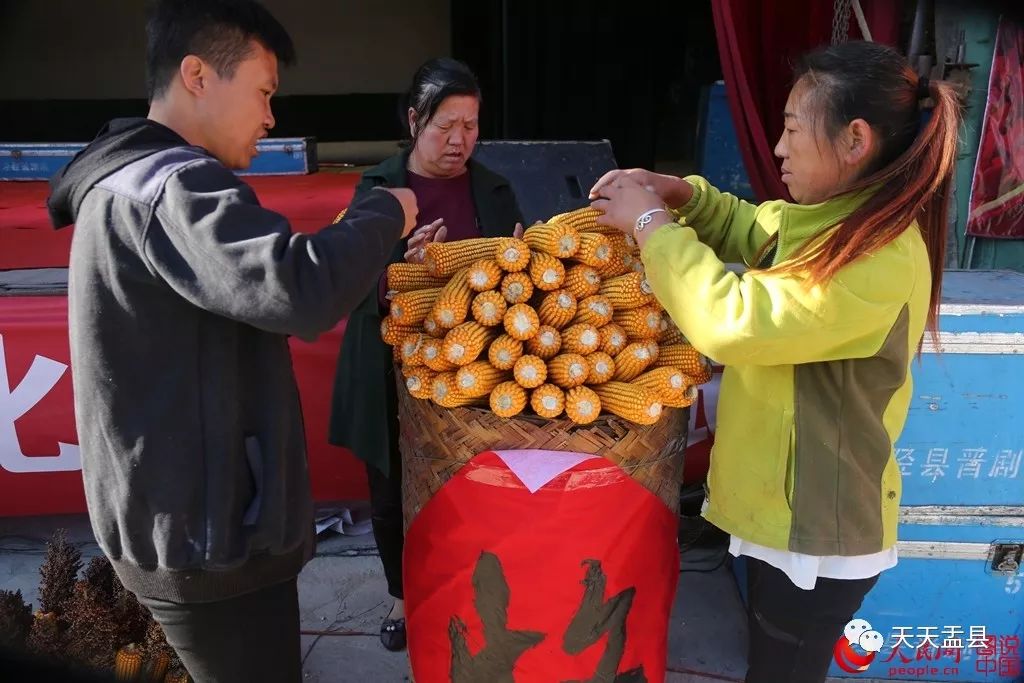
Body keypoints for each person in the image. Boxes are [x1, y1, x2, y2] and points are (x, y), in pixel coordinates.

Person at [45, 1, 417, 681]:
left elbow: (260, 288)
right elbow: (297, 289)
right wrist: (384, 211)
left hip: (192, 526)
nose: (271, 116)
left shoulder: (133, 181)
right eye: (264, 91)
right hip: (209, 540)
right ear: (197, 75)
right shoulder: (174, 187)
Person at [590, 41, 960, 683]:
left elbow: (729, 321)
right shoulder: (829, 221)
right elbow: (757, 228)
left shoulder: (874, 259)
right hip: (782, 518)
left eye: (792, 130)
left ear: (855, 140)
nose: (779, 149)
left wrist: (651, 223)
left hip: (815, 535)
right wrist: (685, 197)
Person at [328, 57, 524, 652]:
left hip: (475, 373)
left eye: (471, 125)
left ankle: (469, 591)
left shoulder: (494, 188)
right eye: (445, 125)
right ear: (414, 121)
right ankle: (401, 596)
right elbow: (344, 284)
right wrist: (401, 274)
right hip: (391, 372)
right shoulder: (378, 189)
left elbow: (519, 274)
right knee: (391, 496)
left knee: (472, 491)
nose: (460, 140)